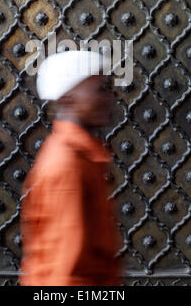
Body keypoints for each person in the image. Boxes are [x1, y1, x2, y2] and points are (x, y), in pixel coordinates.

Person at [19, 50, 123, 286]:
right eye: (101, 89)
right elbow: (67, 269)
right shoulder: (67, 164)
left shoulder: (81, 156)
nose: (110, 98)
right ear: (68, 99)